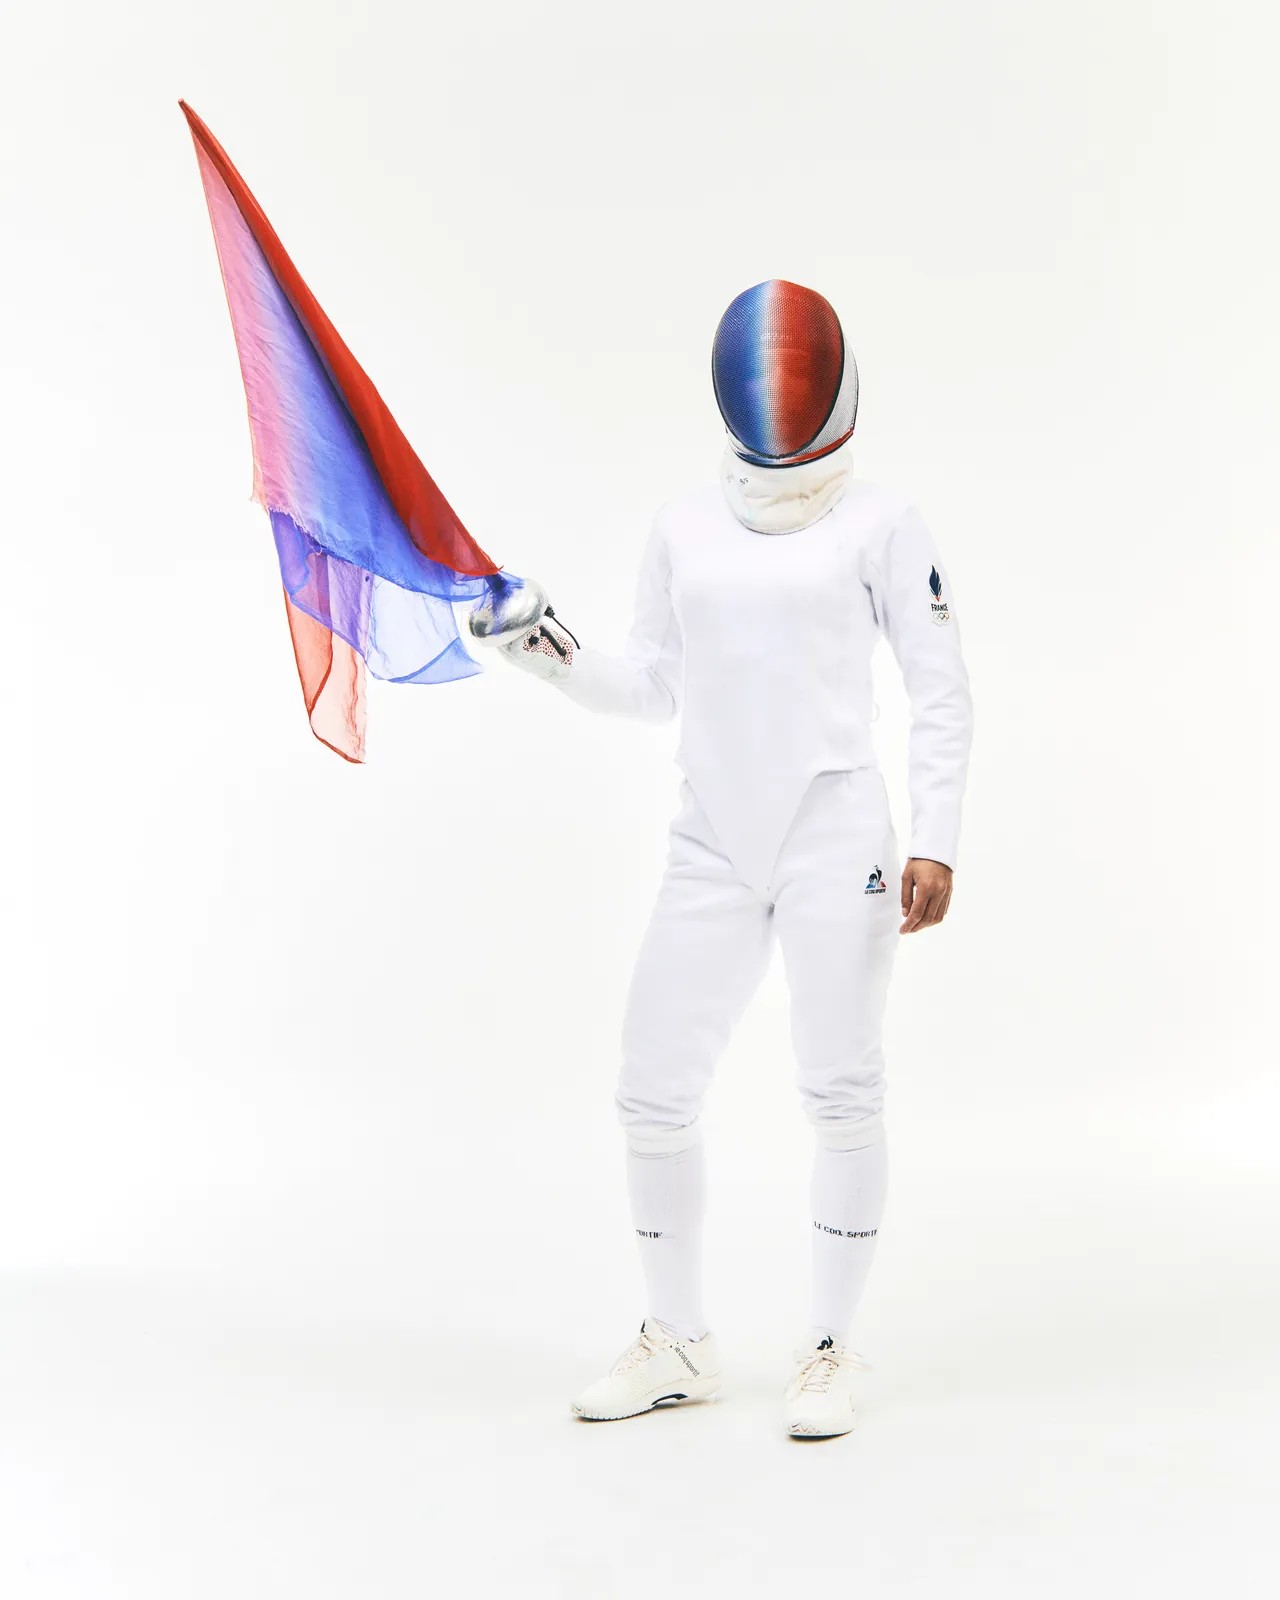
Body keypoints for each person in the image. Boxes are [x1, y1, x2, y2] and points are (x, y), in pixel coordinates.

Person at [483, 279, 973, 1438]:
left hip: (835, 834)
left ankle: (829, 1347)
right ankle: (678, 1342)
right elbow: (650, 686)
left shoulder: (882, 522)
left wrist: (936, 838)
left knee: (838, 1084)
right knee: (651, 1088)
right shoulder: (684, 526)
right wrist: (539, 645)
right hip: (710, 838)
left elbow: (939, 689)